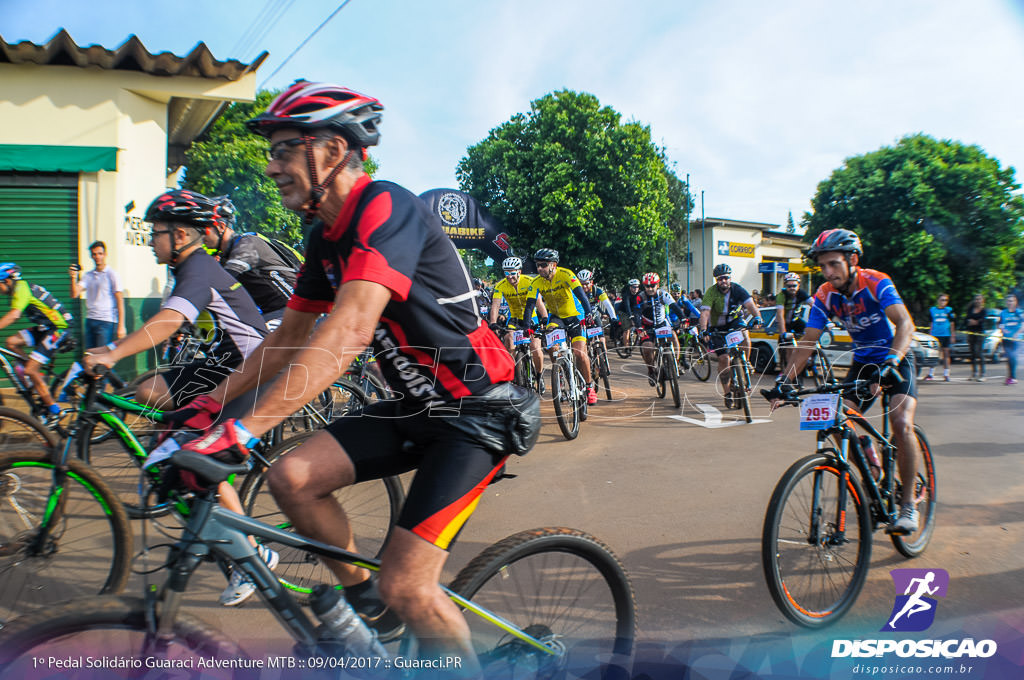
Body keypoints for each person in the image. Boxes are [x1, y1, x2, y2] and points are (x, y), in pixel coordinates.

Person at [170, 80, 538, 669]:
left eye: (286, 149)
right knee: (291, 478)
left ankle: (394, 602)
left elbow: (347, 334)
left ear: (333, 150)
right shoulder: (323, 237)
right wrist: (210, 406)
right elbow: (288, 338)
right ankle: (367, 604)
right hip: (417, 408)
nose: (273, 167)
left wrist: (242, 432)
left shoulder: (387, 206)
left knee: (411, 585)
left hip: (478, 412)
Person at [82, 189, 274, 607]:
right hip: (224, 362)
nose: (152, 239)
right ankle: (178, 454)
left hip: (249, 372)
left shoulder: (200, 268)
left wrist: (113, 351)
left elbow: (169, 320)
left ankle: (252, 559)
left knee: (198, 457)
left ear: (182, 234)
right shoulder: (190, 267)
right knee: (147, 389)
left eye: (157, 233)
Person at [766, 228, 923, 535]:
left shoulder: (876, 282)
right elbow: (808, 342)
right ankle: (871, 464)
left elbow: (905, 323)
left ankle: (908, 507)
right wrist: (785, 381)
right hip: (864, 363)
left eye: (833, 264)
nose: (828, 272)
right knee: (838, 416)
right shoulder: (825, 294)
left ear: (852, 259)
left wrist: (891, 363)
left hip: (895, 357)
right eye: (823, 266)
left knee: (901, 422)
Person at [200, 196, 301, 330]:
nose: (201, 236)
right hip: (270, 313)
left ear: (220, 226)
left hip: (292, 310)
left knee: (250, 339)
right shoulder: (225, 256)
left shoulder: (246, 244)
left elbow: (221, 284)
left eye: (203, 230)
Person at [521, 248, 597, 405]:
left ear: (553, 265)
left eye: (543, 265)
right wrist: (527, 326)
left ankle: (589, 387)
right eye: (538, 265)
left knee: (579, 353)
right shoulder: (536, 282)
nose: (540, 268)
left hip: (575, 316)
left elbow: (582, 296)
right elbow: (529, 306)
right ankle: (560, 373)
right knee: (551, 345)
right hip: (556, 318)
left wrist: (588, 314)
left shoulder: (566, 274)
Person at [0, 263, 74, 422]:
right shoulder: (18, 289)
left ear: (6, 281)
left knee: (31, 370)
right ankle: (33, 379)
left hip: (59, 328)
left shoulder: (21, 289)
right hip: (46, 327)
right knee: (11, 342)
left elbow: (14, 315)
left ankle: (55, 410)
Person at [697, 263, 764, 407]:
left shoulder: (737, 289)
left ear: (730, 278)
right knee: (724, 359)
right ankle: (727, 392)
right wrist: (703, 329)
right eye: (720, 279)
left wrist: (758, 317)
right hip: (717, 327)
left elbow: (750, 304)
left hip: (734, 322)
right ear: (716, 280)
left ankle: (746, 362)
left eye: (726, 278)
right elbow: (705, 313)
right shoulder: (711, 292)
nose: (723, 281)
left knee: (744, 334)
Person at [489, 256, 547, 390]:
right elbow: (495, 306)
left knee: (536, 349)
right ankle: (513, 373)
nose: (509, 276)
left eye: (512, 272)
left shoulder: (529, 282)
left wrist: (544, 318)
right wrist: (492, 323)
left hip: (531, 318)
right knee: (508, 340)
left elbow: (539, 303)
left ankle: (539, 375)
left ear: (519, 272)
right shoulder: (500, 285)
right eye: (506, 273)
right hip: (514, 318)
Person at [633, 272, 700, 384]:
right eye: (647, 286)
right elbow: (637, 313)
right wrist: (639, 327)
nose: (650, 289)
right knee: (647, 348)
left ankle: (676, 363)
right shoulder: (640, 297)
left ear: (657, 285)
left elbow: (675, 306)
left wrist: (683, 319)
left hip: (662, 323)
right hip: (647, 325)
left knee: (674, 337)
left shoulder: (663, 294)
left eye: (652, 286)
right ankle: (651, 370)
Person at [69, 240, 126, 349]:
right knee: (90, 356)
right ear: (91, 256)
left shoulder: (112, 274)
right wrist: (73, 277)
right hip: (90, 320)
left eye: (100, 253)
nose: (97, 257)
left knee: (101, 356)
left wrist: (121, 326)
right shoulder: (88, 275)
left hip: (106, 322)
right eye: (94, 254)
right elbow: (74, 294)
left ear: (105, 254)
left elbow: (120, 300)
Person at [776, 272, 811, 372]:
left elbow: (815, 305)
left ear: (798, 285)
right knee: (788, 349)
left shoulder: (801, 293)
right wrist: (783, 333)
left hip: (796, 321)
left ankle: (810, 357)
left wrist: (826, 320)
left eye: (794, 285)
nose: (792, 288)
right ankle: (787, 370)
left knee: (812, 332)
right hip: (785, 323)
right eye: (789, 286)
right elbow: (780, 315)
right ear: (785, 286)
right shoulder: (781, 296)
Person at [925, 293, 955, 381]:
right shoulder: (932, 310)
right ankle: (931, 374)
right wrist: (930, 335)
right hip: (935, 335)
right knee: (934, 355)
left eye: (945, 300)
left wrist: (953, 335)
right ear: (938, 300)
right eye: (942, 300)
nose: (943, 302)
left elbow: (952, 323)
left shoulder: (949, 310)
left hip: (946, 335)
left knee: (946, 354)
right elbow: (931, 323)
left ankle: (946, 374)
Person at [998, 293, 1022, 385]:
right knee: (1009, 357)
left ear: (1015, 302)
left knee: (1013, 356)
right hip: (1006, 339)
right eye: (1008, 301)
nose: (1010, 302)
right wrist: (1003, 330)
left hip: (1016, 339)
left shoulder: (1019, 312)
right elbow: (1001, 325)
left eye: (1012, 301)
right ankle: (1010, 376)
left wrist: (1016, 334)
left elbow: (1023, 325)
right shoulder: (1003, 313)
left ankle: (1013, 377)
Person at [963, 294, 987, 381]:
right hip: (971, 333)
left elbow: (982, 320)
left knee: (979, 352)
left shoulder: (984, 310)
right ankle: (974, 373)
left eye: (979, 299)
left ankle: (983, 374)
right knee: (972, 353)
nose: (977, 301)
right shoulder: (970, 309)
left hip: (980, 333)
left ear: (982, 301)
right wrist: (970, 321)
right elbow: (966, 319)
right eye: (976, 299)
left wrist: (975, 322)